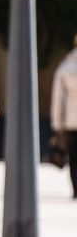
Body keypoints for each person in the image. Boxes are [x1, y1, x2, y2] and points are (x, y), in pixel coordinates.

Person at [50, 36, 77, 198]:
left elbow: (58, 99)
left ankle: (76, 189)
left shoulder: (66, 66)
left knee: (74, 157)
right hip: (71, 120)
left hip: (71, 120)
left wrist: (57, 123)